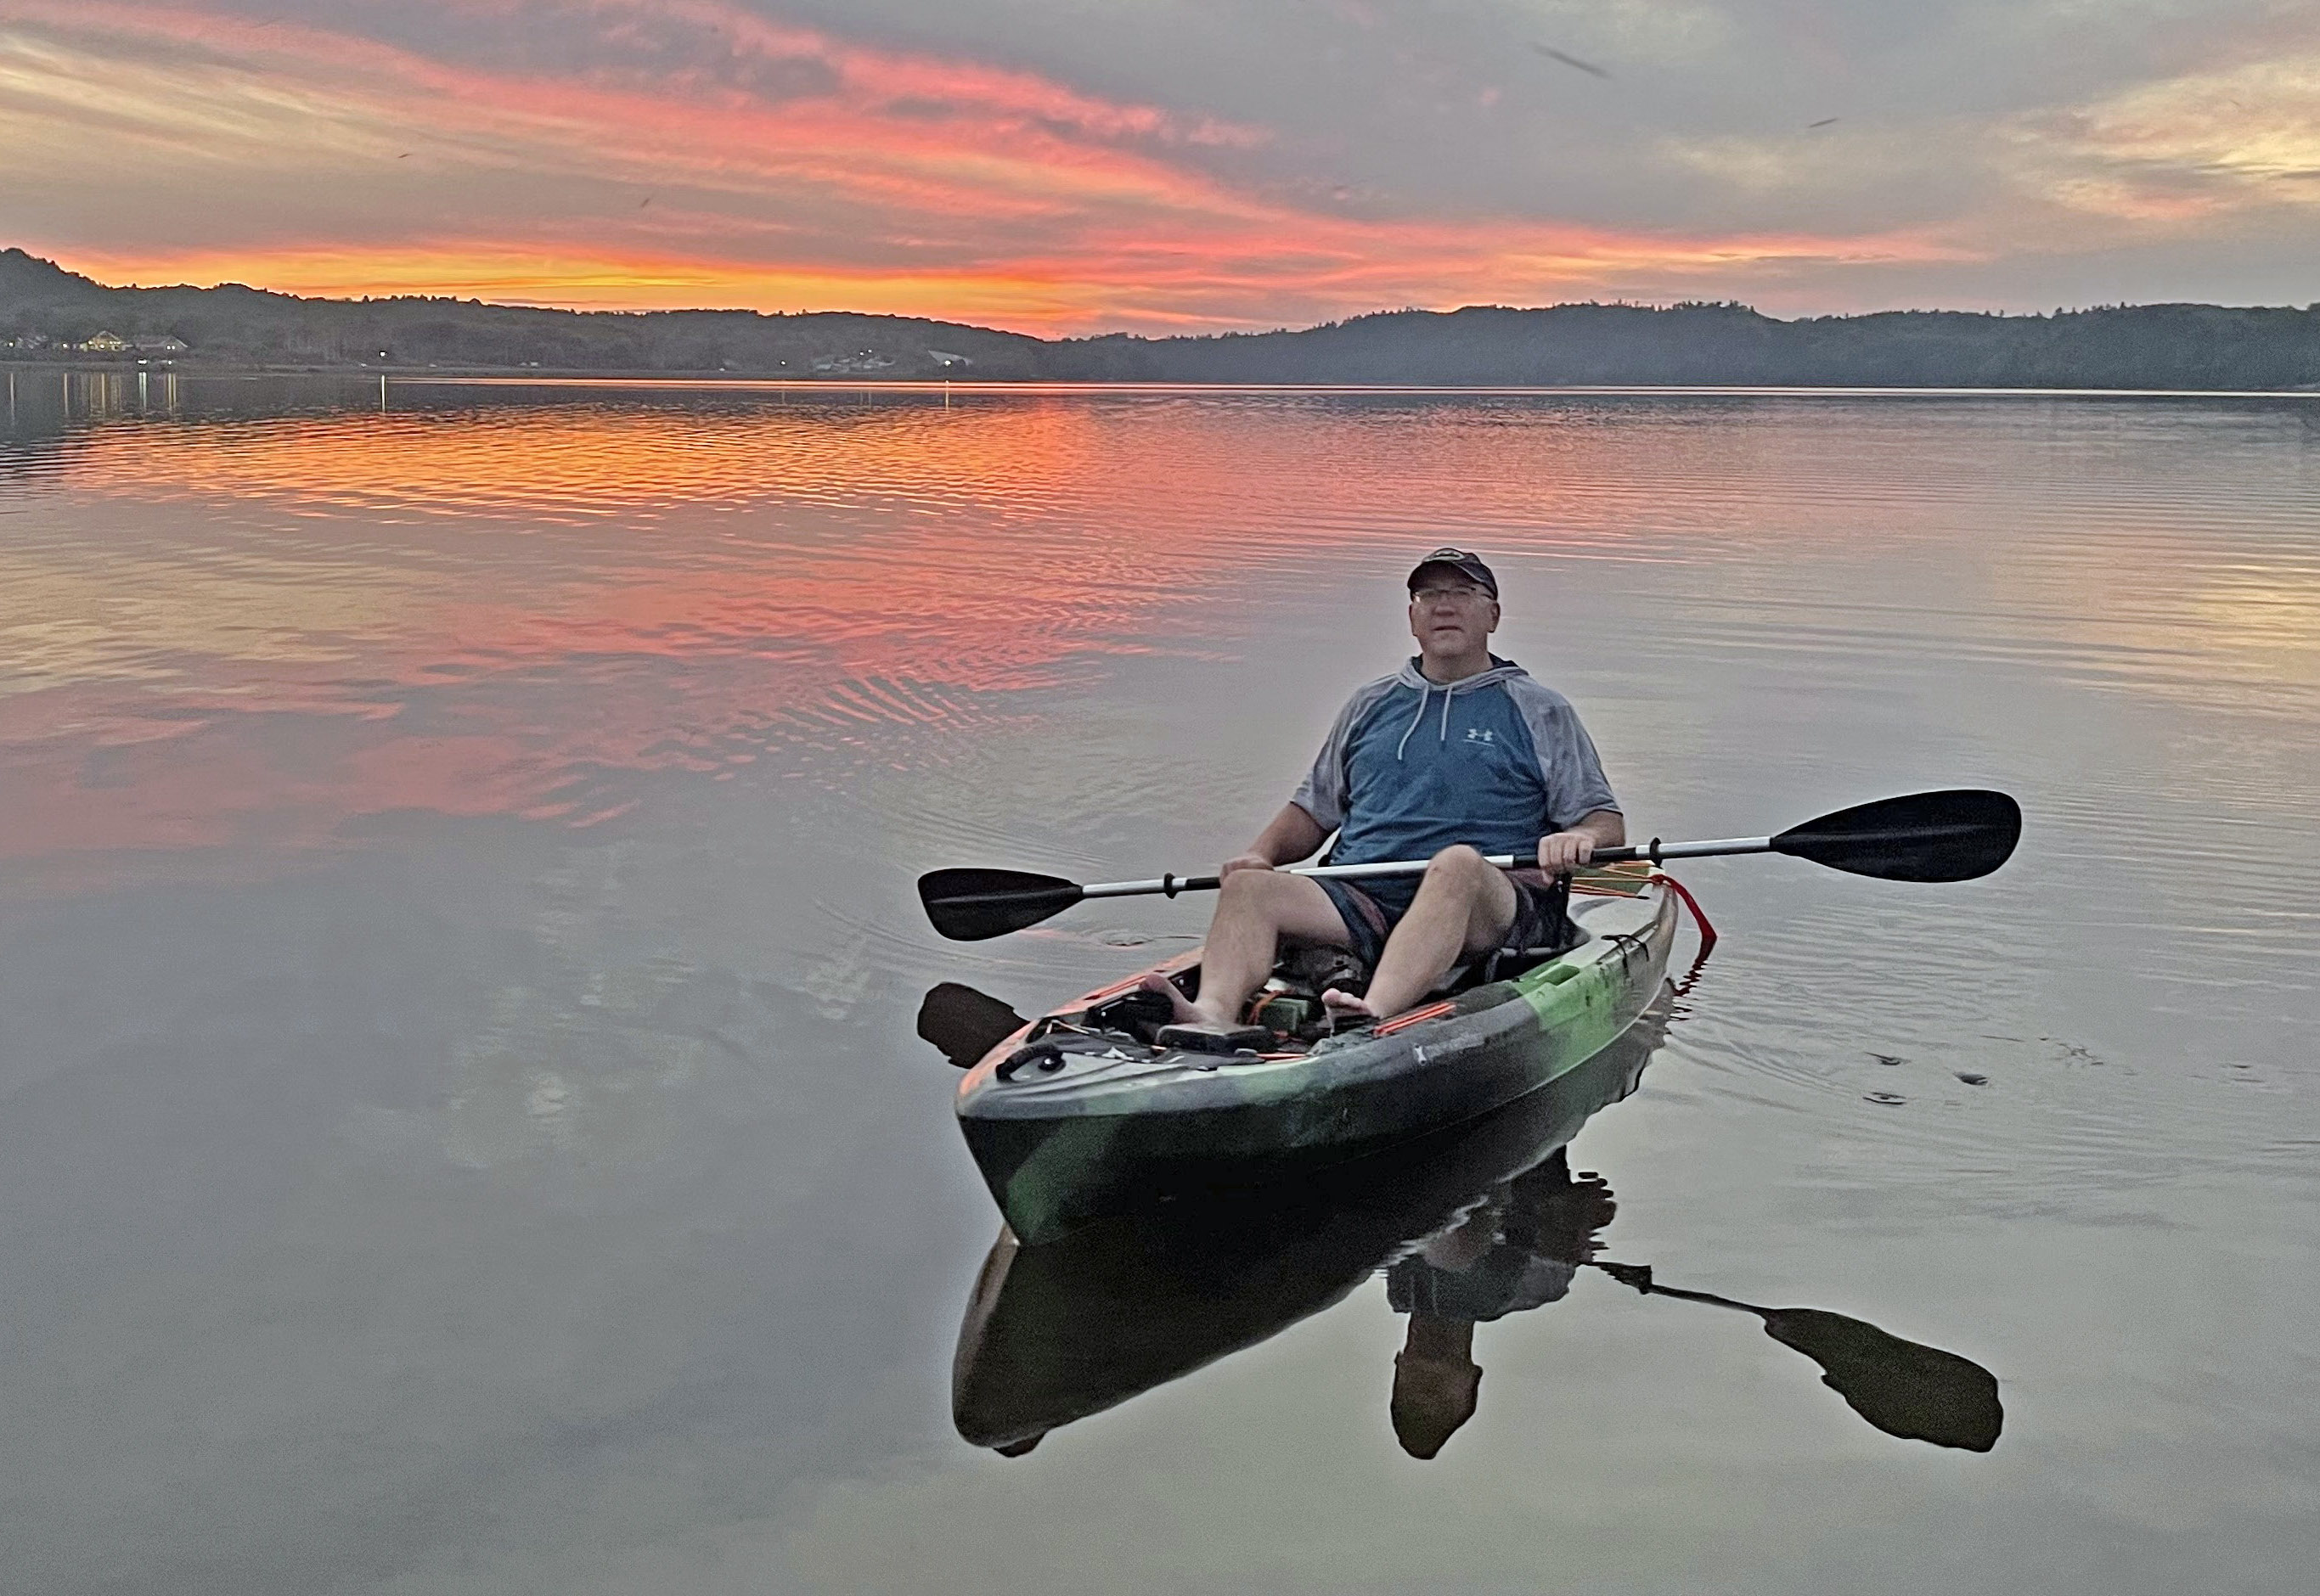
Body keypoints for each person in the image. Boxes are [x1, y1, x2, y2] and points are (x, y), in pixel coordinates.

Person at [1143, 547, 1625, 1035]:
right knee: (1248, 887)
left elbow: (1604, 822)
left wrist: (1580, 838)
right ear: (1413, 617)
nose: (1445, 606)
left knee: (1456, 862)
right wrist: (1258, 854)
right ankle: (1211, 1014)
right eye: (1429, 594)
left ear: (1493, 615)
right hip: (1361, 899)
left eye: (1463, 593)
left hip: (1488, 905)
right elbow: (1313, 812)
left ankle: (1372, 1013)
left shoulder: (1540, 710)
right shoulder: (1369, 704)